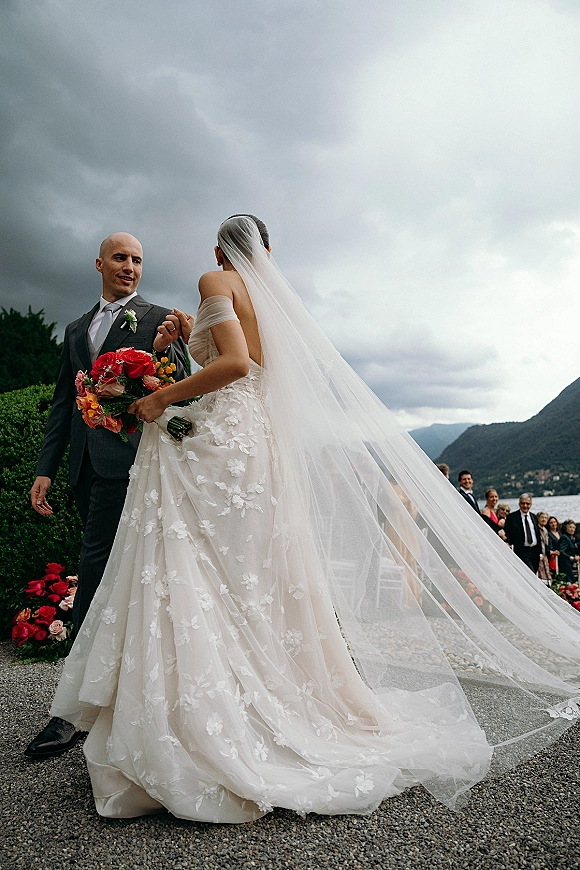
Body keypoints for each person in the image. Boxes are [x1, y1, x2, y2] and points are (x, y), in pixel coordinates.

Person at [44, 216, 580, 822]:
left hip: (226, 435)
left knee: (197, 563)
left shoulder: (214, 276)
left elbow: (237, 367)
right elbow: (250, 354)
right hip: (259, 444)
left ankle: (213, 707)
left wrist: (161, 397)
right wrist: (191, 332)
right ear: (267, 253)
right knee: (244, 574)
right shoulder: (271, 300)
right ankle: (255, 694)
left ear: (222, 249)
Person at [25, 233, 188, 760]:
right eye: (120, 258)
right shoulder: (76, 329)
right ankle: (97, 703)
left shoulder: (159, 317)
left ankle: (72, 713)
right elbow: (61, 403)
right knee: (106, 575)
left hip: (141, 466)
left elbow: (184, 382)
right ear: (99, 264)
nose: (130, 267)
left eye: (138, 259)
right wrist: (46, 469)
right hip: (88, 468)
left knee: (114, 576)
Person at [503, 494, 541, 573]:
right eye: (523, 503)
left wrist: (540, 552)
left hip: (534, 551)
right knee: (529, 573)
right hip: (522, 551)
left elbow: (537, 534)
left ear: (531, 505)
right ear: (519, 504)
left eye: (527, 504)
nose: (525, 506)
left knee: (534, 573)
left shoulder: (534, 517)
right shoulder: (512, 517)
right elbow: (507, 532)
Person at [536, 512, 551, 584]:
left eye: (545, 518)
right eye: (542, 517)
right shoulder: (536, 529)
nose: (544, 519)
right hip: (538, 555)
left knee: (547, 575)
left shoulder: (545, 530)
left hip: (545, 556)